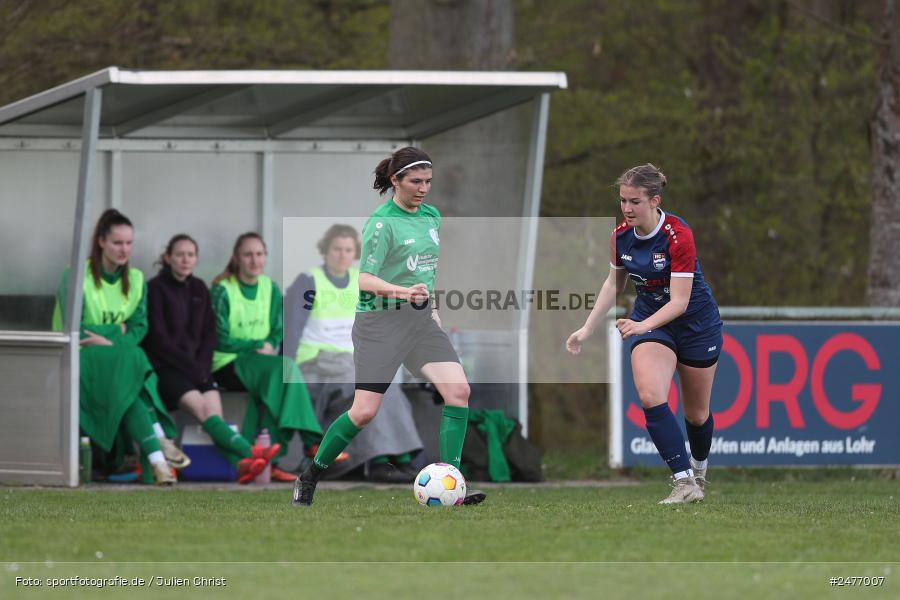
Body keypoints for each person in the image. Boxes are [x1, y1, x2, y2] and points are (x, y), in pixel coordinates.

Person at [292, 146, 485, 506]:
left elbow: (424, 271)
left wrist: (432, 306)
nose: (423, 188)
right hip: (379, 325)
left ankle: (453, 483)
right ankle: (311, 474)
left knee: (458, 391)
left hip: (418, 321)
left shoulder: (431, 217)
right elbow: (364, 279)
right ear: (395, 180)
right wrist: (402, 292)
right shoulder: (381, 223)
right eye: (415, 181)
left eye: (428, 181)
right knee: (364, 411)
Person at [566, 164, 722, 504]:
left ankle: (699, 470)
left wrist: (640, 325)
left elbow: (680, 302)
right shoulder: (620, 237)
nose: (626, 208)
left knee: (697, 415)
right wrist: (587, 328)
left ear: (655, 200)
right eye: (622, 201)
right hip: (652, 323)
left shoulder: (679, 235)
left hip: (696, 324)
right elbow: (613, 284)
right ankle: (684, 483)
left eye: (634, 201)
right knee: (650, 395)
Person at [51, 209, 189, 485]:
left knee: (130, 368)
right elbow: (76, 327)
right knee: (135, 359)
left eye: (129, 243)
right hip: (80, 358)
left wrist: (110, 338)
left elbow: (140, 327)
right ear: (101, 242)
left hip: (117, 360)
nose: (124, 249)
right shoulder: (76, 276)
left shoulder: (136, 279)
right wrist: (116, 331)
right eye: (117, 242)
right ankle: (160, 440)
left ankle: (157, 461)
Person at [283, 224, 423, 483]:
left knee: (386, 385)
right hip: (317, 362)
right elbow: (291, 328)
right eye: (336, 248)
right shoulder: (308, 280)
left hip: (351, 361)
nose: (342, 255)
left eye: (348, 249)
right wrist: (288, 367)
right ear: (325, 251)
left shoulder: (362, 282)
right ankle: (383, 461)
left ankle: (400, 459)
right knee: (369, 387)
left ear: (355, 253)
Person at [143, 234, 281, 483]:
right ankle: (250, 452)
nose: (185, 260)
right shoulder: (154, 289)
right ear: (168, 258)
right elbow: (158, 340)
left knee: (215, 416)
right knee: (206, 411)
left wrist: (203, 369)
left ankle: (242, 465)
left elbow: (209, 336)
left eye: (191, 255)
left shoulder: (199, 289)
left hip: (198, 369)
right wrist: (192, 368)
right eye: (179, 254)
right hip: (168, 370)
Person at [210, 232, 335, 482]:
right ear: (237, 258)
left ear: (265, 257)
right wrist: (259, 343)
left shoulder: (270, 288)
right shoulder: (222, 289)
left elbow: (278, 329)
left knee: (275, 390)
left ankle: (269, 462)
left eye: (259, 254)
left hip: (261, 363)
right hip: (228, 362)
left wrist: (271, 343)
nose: (254, 260)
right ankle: (313, 441)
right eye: (248, 255)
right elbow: (219, 337)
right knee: (285, 369)